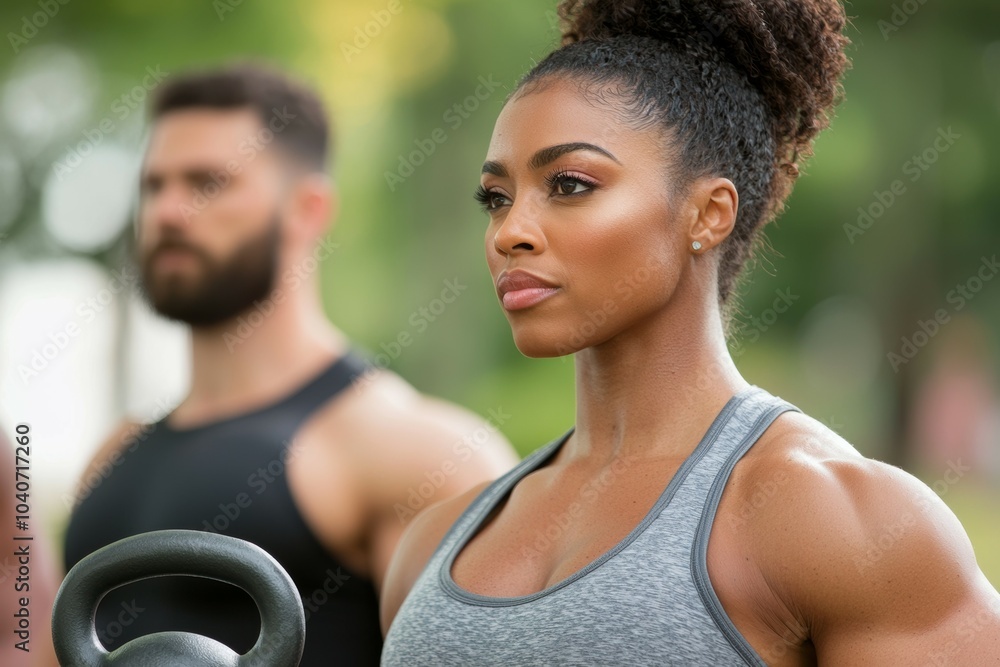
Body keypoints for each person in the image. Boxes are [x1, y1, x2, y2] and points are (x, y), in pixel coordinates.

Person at [380, 1, 1000, 664]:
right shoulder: (431, 546)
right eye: (497, 197)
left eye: (569, 184)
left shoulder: (839, 518)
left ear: (707, 214)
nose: (510, 232)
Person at [62, 63, 518, 666]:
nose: (168, 212)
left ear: (307, 210)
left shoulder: (417, 451)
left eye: (206, 183)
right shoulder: (110, 455)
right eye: (154, 186)